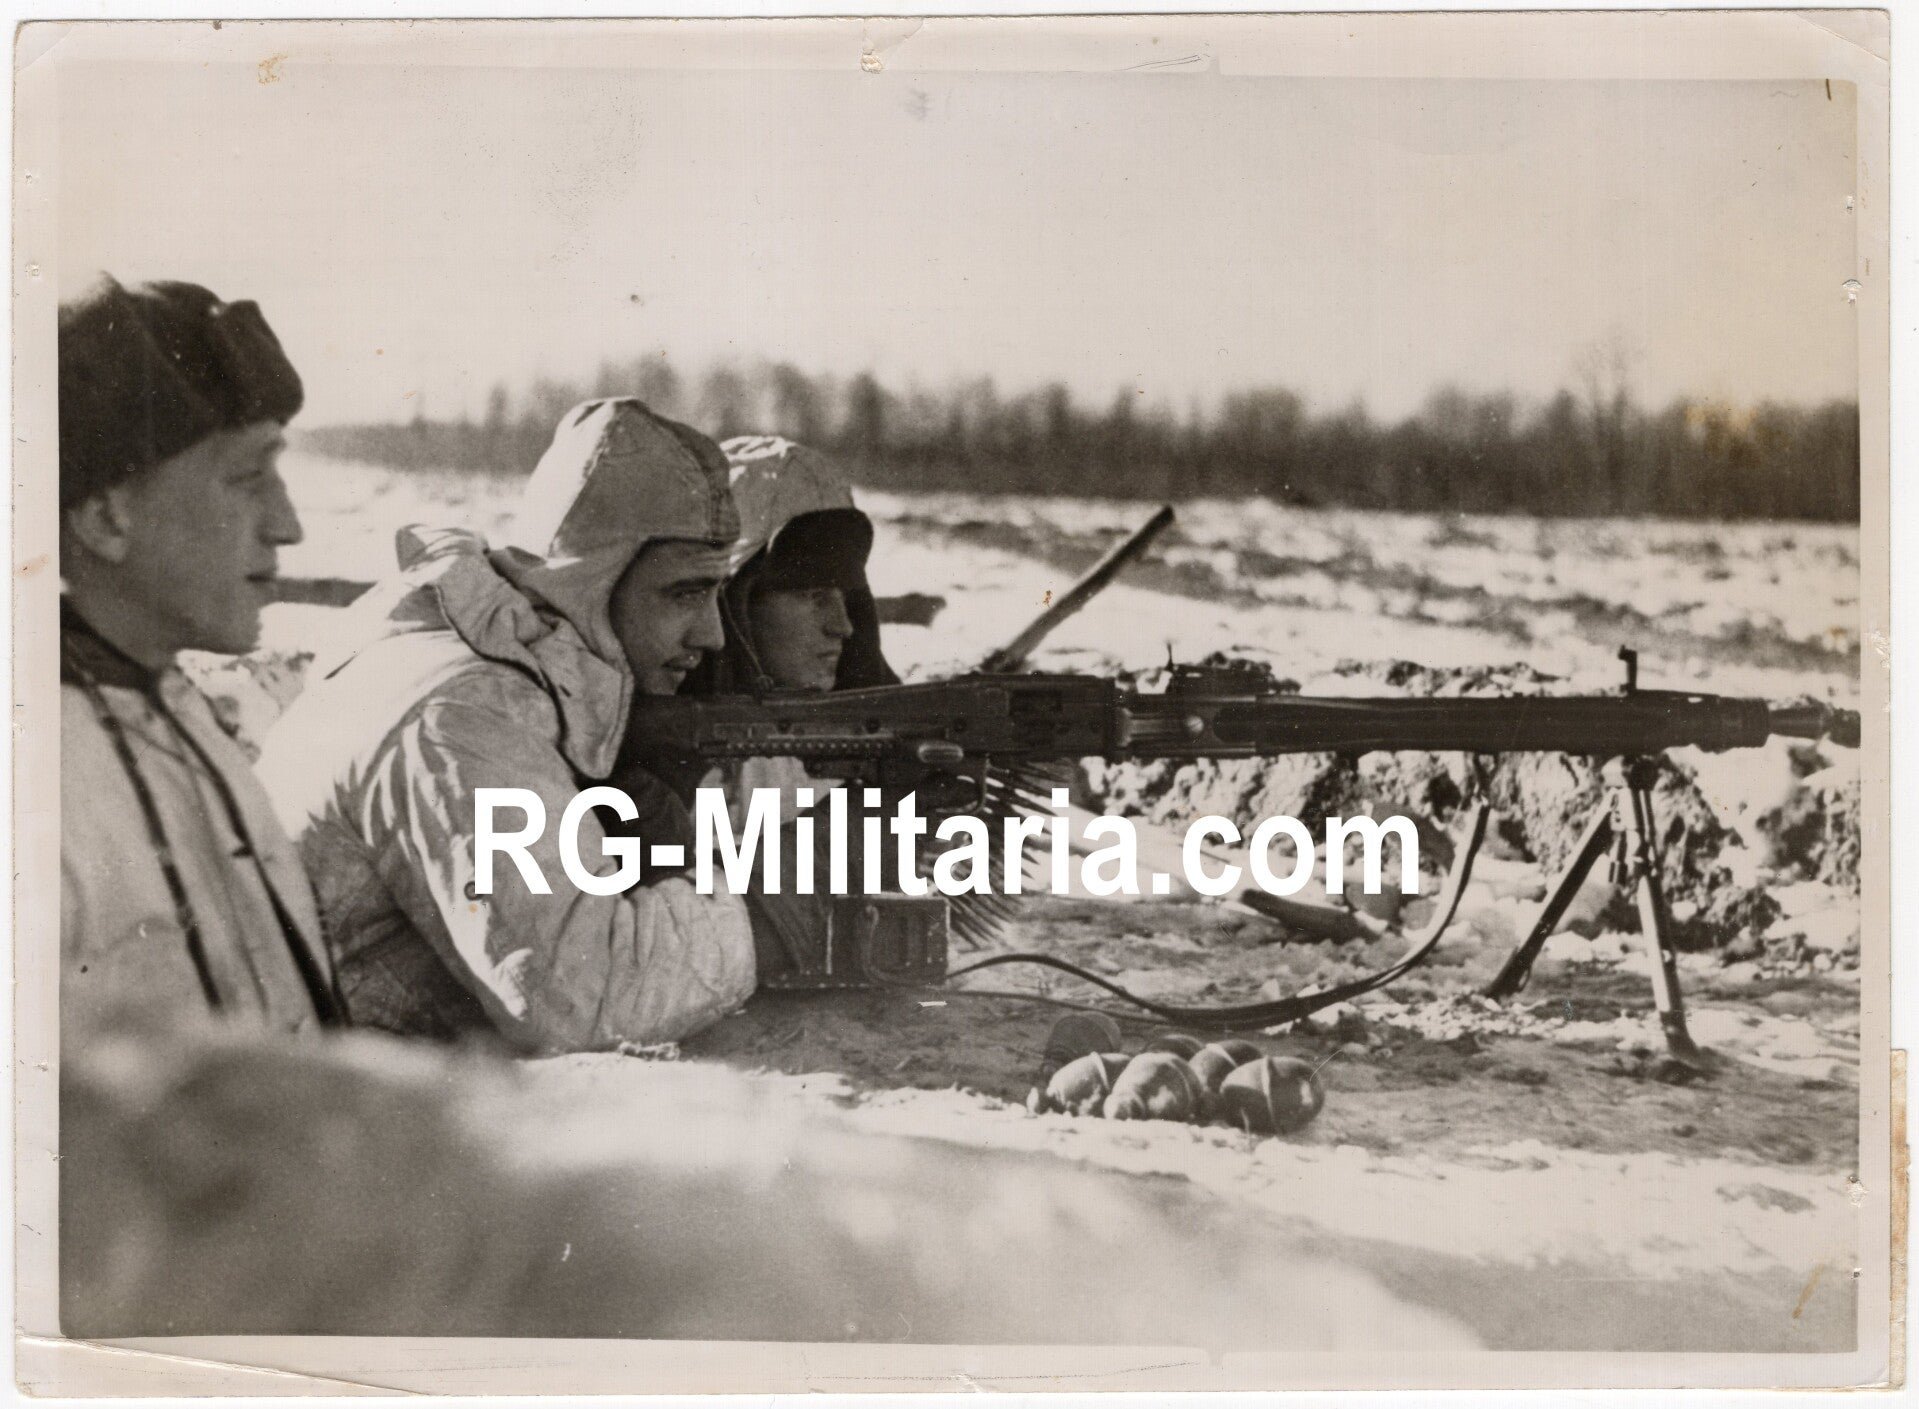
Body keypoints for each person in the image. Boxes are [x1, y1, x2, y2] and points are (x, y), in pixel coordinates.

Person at [256, 399, 756, 1051]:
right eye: (684, 593)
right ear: (589, 584)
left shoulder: (479, 666)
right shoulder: (466, 712)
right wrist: (771, 913)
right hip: (287, 1104)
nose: (713, 633)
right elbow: (591, 999)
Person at [57, 274, 341, 1040]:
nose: (287, 526)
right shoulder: (39, 777)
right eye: (248, 478)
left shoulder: (174, 711)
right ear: (106, 514)